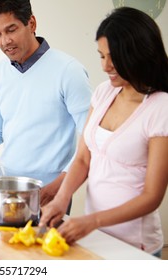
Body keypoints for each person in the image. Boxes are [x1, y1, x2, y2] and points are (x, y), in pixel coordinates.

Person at [39, 7, 168, 257]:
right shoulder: (103, 92)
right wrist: (61, 199)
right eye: (101, 56)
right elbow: (83, 159)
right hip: (95, 238)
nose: (106, 66)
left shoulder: (161, 107)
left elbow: (153, 196)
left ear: (138, 54)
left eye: (114, 57)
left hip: (135, 244)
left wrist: (92, 221)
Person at [0, 0, 91, 208]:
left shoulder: (69, 71)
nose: (5, 41)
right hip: (7, 189)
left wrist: (60, 186)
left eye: (10, 30)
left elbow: (91, 139)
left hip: (50, 192)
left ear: (31, 23)